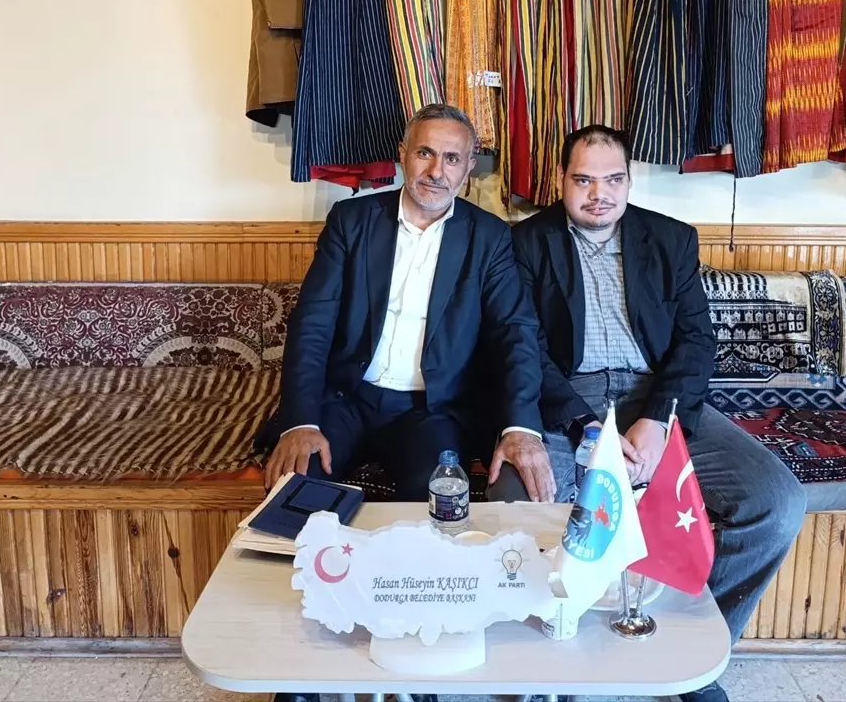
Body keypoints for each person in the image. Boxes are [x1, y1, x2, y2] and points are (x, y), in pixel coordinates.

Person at [498, 125, 806, 702]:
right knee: (522, 506)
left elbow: (696, 341)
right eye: (584, 180)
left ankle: (689, 652)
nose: (600, 194)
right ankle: (552, 673)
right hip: (568, 404)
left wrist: (660, 419)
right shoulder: (526, 243)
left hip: (656, 398)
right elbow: (524, 346)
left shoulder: (669, 239)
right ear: (560, 180)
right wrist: (585, 426)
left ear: (629, 180)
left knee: (776, 502)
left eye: (613, 180)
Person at [260, 103, 556, 504]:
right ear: (403, 153)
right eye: (425, 153)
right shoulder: (352, 221)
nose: (436, 171)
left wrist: (522, 428)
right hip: (346, 398)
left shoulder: (489, 237)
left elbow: (515, 332)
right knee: (296, 489)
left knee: (436, 500)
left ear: (468, 166)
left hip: (431, 410)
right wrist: (300, 422)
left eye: (452, 158)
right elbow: (312, 323)